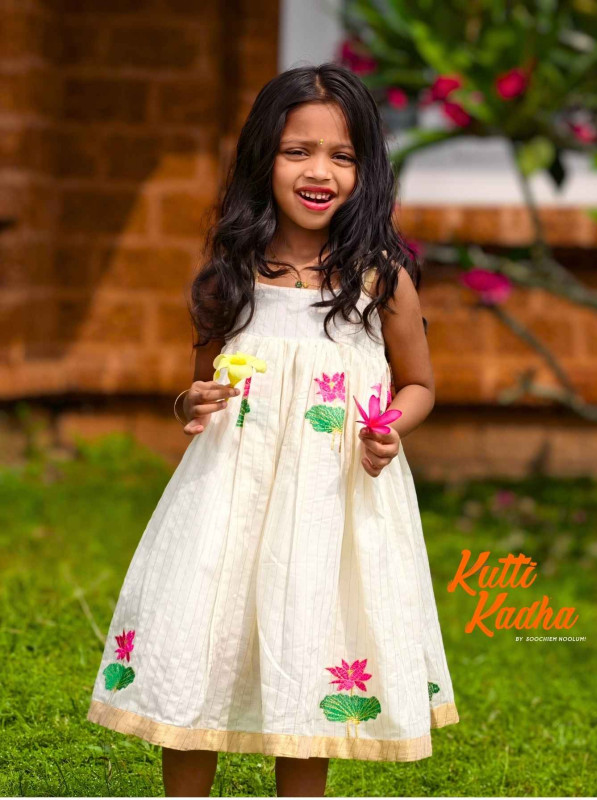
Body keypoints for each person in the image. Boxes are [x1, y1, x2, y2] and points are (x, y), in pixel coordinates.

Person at [86, 62, 459, 797]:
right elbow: (197, 390)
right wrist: (191, 404)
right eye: (298, 151)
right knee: (202, 638)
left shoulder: (380, 279)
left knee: (309, 645)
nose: (319, 171)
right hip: (230, 497)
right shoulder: (230, 274)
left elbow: (418, 384)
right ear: (264, 158)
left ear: (366, 170)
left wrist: (390, 427)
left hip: (328, 503)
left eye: (342, 155)